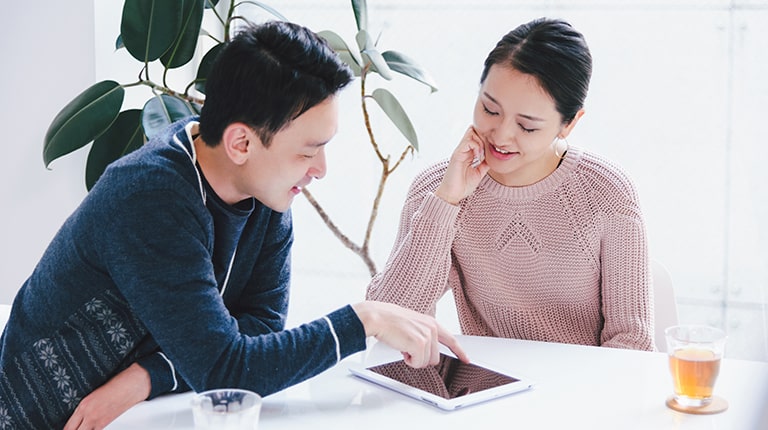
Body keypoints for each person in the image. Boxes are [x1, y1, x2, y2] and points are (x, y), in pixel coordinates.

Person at [0, 21, 467, 430]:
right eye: (307, 151)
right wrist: (365, 319)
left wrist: (147, 377)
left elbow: (259, 328)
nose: (320, 168)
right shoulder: (149, 197)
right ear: (241, 141)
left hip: (148, 410)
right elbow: (228, 369)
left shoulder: (264, 191)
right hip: (48, 414)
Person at [367, 17, 653, 351]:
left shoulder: (606, 194)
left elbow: (632, 341)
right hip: (484, 390)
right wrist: (446, 201)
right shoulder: (437, 188)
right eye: (490, 109)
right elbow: (390, 321)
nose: (501, 136)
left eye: (527, 126)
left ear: (569, 123)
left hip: (580, 392)